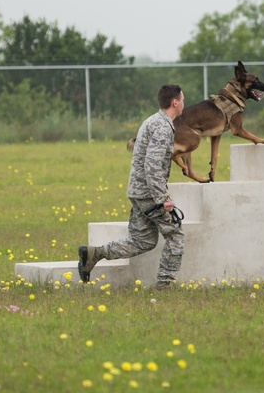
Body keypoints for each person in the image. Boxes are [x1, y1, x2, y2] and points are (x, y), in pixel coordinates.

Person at [78, 84, 185, 291]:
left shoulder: (152, 121)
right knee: (175, 235)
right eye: (182, 100)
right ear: (175, 102)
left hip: (138, 191)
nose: (183, 104)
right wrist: (162, 198)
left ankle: (95, 253)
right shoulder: (162, 127)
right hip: (149, 195)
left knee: (143, 240)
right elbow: (152, 164)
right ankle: (165, 285)